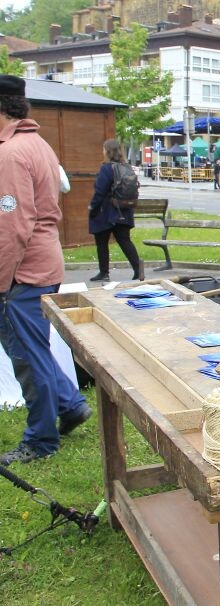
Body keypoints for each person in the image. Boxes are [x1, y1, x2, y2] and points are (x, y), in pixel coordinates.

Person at [0, 74, 91, 465]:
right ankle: (69, 405)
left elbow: (12, 225)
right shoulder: (38, 143)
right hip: (44, 260)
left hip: (23, 269)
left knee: (25, 354)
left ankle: (40, 439)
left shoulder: (10, 153)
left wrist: (2, 280)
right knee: (34, 347)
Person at [87, 139, 142, 282]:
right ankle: (138, 269)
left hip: (107, 211)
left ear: (107, 151)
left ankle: (104, 272)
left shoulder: (107, 168)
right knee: (125, 241)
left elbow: (100, 191)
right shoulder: (127, 167)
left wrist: (92, 207)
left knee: (101, 242)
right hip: (124, 210)